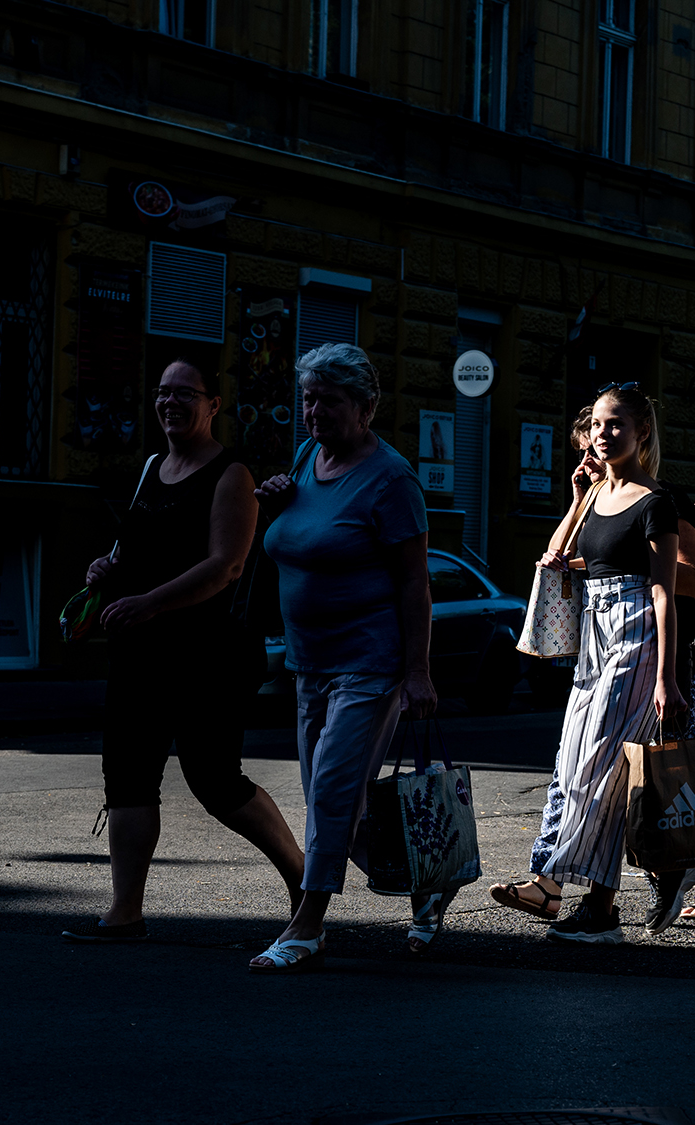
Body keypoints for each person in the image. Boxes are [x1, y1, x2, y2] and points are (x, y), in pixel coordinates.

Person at [62, 359, 304, 944]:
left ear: (213, 404)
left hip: (209, 655)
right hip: (140, 653)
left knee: (214, 780)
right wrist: (109, 568)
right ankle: (124, 912)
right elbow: (135, 548)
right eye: (162, 392)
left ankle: (303, 880)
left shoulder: (231, 475)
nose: (170, 403)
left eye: (185, 394)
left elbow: (226, 567)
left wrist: (149, 602)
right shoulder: (152, 467)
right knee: (127, 775)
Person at [248, 343, 436, 971]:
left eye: (329, 399)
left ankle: (307, 925)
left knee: (330, 791)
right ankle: (428, 882)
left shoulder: (392, 479)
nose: (314, 411)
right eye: (308, 399)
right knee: (336, 804)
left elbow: (415, 583)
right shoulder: (306, 460)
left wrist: (417, 673)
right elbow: (294, 542)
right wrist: (274, 504)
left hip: (369, 662)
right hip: (310, 662)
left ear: (367, 407)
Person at [523, 385, 687, 943]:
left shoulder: (655, 500)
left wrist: (666, 677)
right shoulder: (594, 498)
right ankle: (576, 891)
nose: (602, 434)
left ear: (642, 432)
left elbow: (665, 591)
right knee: (573, 761)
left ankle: (592, 900)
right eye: (596, 425)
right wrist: (576, 500)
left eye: (615, 424)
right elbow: (556, 560)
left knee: (600, 765)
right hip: (594, 636)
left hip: (637, 636)